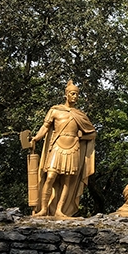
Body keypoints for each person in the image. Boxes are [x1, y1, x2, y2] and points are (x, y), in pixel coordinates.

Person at [30, 80, 97, 219]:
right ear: (66, 95)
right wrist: (36, 138)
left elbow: (92, 133)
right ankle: (43, 209)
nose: (75, 97)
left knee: (67, 181)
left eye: (77, 94)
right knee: (50, 177)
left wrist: (81, 137)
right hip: (57, 146)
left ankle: (60, 211)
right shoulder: (55, 110)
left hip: (73, 148)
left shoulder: (80, 115)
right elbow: (45, 127)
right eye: (73, 94)